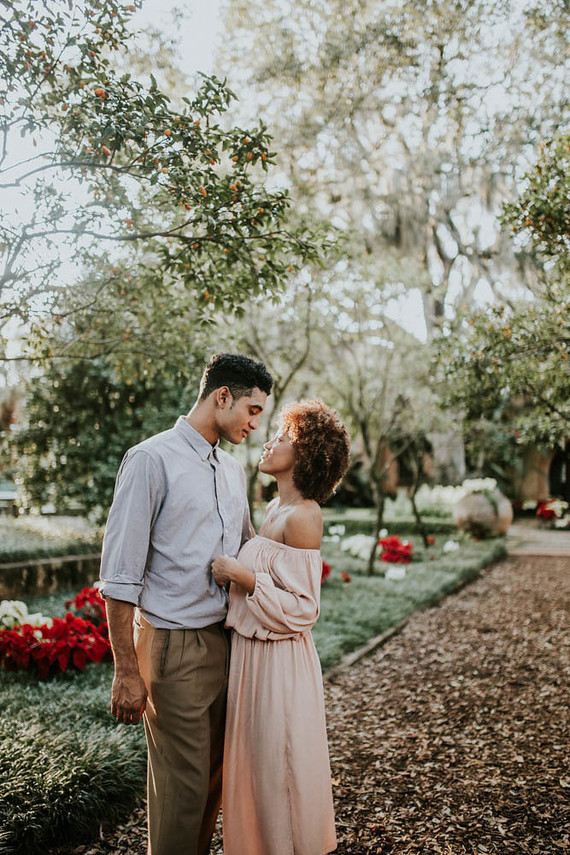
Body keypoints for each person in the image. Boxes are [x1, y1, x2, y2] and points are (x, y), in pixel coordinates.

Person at [99, 353, 273, 855]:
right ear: (223, 396)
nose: (254, 423)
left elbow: (246, 550)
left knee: (214, 785)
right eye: (252, 410)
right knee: (182, 793)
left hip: (227, 643)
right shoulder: (150, 460)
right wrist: (125, 671)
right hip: (173, 647)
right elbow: (120, 576)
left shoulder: (232, 470)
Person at [211, 400, 351, 855]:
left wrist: (244, 576)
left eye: (283, 438)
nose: (269, 443)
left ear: (305, 455)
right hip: (250, 657)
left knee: (280, 769)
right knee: (256, 770)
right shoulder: (274, 507)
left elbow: (304, 609)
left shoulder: (304, 515)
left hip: (279, 662)